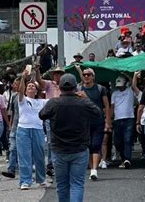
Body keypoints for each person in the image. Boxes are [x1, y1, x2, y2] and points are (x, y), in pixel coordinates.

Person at [39, 73, 101, 202]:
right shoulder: (82, 102)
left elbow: (42, 115)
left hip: (59, 149)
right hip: (79, 149)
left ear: (60, 87)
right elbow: (97, 113)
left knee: (62, 185)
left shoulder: (53, 103)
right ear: (76, 87)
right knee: (77, 184)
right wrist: (86, 98)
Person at [75, 67, 112, 180]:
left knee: (96, 145)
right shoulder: (79, 88)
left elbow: (106, 105)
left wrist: (108, 122)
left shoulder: (100, 89)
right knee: (88, 146)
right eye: (84, 74)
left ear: (93, 76)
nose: (86, 76)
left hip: (98, 120)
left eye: (88, 74)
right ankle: (92, 168)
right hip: (84, 122)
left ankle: (94, 169)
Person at [16, 70, 48, 190]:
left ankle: (41, 179)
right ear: (25, 90)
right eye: (28, 86)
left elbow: (55, 101)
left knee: (39, 155)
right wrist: (24, 78)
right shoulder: (22, 100)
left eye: (33, 86)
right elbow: (20, 91)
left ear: (36, 90)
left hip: (38, 130)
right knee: (24, 156)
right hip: (23, 130)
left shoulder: (42, 102)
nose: (30, 87)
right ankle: (25, 181)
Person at [36, 65, 66, 177]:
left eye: (59, 73)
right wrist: (37, 70)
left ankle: (59, 163)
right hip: (50, 116)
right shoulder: (49, 84)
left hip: (63, 116)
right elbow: (39, 80)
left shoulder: (65, 86)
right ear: (53, 75)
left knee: (61, 139)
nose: (57, 75)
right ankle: (51, 164)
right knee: (50, 140)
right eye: (56, 73)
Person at [111, 74, 140, 169]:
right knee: (117, 141)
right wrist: (110, 119)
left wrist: (128, 75)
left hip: (129, 118)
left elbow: (133, 84)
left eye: (121, 84)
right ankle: (123, 158)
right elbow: (112, 107)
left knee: (127, 139)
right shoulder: (114, 94)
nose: (119, 86)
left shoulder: (130, 91)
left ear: (125, 83)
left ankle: (127, 159)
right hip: (117, 119)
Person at [2, 78, 20, 179]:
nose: (15, 86)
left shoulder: (27, 96)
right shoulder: (13, 96)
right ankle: (11, 169)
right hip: (15, 125)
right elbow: (12, 112)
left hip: (25, 126)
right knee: (13, 147)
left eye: (17, 84)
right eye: (14, 84)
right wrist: (10, 124)